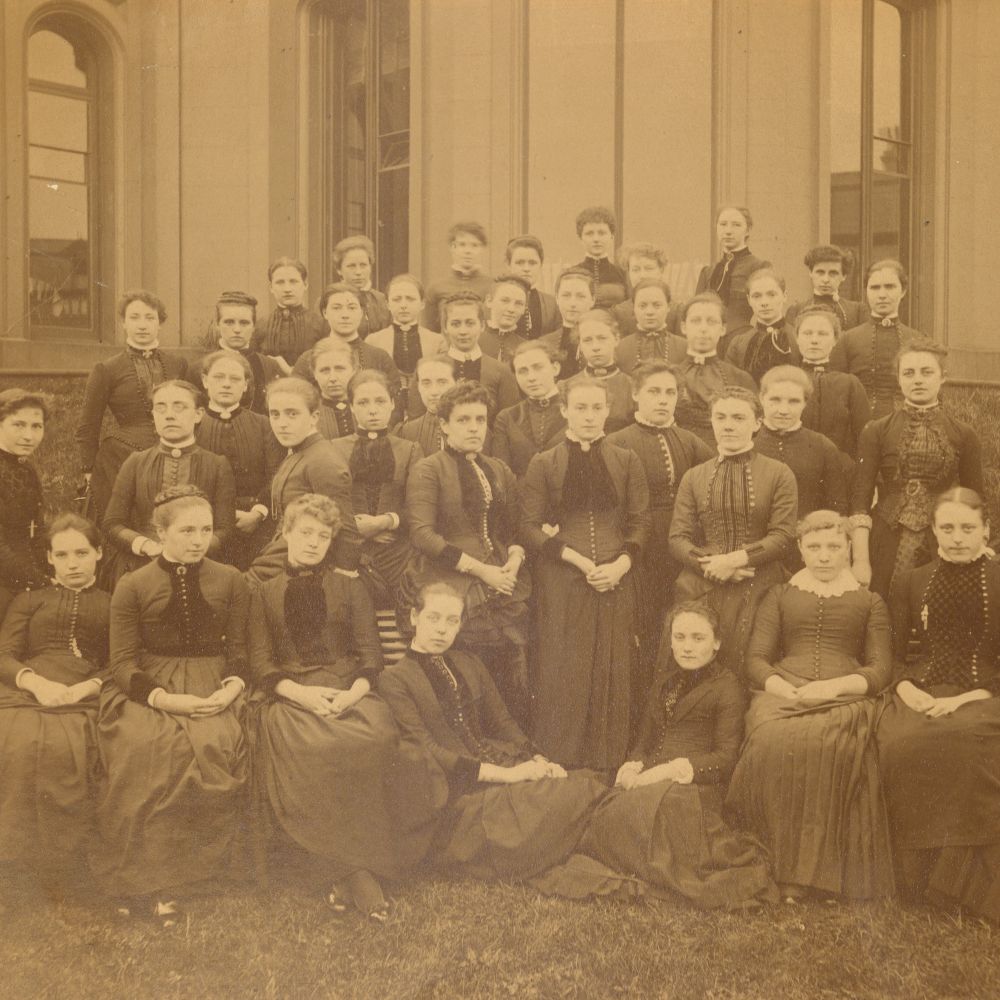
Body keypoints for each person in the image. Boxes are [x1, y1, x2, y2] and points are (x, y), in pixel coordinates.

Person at [534, 603, 775, 909]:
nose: (687, 647)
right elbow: (644, 742)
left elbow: (725, 758)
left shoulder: (727, 687)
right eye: (680, 637)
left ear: (716, 643)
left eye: (698, 639)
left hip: (694, 790)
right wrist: (633, 764)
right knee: (592, 798)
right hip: (651, 779)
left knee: (641, 812)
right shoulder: (665, 682)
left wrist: (667, 771)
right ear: (671, 641)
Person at [92, 486, 250, 925]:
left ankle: (176, 883)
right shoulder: (133, 584)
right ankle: (136, 879)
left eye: (205, 529)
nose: (198, 540)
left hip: (212, 681)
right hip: (148, 686)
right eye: (185, 531)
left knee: (208, 744)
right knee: (141, 746)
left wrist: (230, 689)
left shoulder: (230, 579)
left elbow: (240, 651)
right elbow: (121, 662)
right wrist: (163, 698)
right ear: (160, 533)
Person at [377, 581, 607, 882]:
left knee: (577, 786)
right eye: (433, 618)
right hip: (457, 790)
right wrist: (509, 775)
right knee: (555, 802)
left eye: (451, 621)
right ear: (414, 618)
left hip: (501, 762)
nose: (441, 629)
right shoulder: (395, 679)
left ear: (460, 625)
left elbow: (502, 721)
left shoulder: (469, 662)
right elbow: (427, 747)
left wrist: (536, 757)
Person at [247, 494, 408, 922]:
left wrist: (351, 695)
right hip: (290, 695)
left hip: (347, 690)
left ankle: (343, 870)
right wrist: (301, 696)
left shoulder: (350, 586)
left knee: (376, 738)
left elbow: (371, 655)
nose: (314, 542)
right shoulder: (261, 591)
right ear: (286, 534)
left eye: (323, 535)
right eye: (305, 533)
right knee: (315, 751)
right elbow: (261, 663)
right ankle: (356, 875)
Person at [726, 511, 894, 901]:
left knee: (836, 744)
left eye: (834, 547)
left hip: (846, 694)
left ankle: (823, 875)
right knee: (770, 740)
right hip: (785, 692)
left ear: (848, 550)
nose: (824, 556)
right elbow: (756, 659)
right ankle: (776, 867)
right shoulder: (780, 595)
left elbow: (881, 668)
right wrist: (784, 689)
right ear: (800, 549)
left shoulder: (869, 601)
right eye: (814, 547)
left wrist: (834, 688)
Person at [879, 489, 1000, 921]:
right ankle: (916, 880)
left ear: (987, 529)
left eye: (968, 528)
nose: (957, 538)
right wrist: (906, 688)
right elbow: (894, 651)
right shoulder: (915, 579)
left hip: (986, 694)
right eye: (946, 528)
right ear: (932, 531)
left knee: (965, 742)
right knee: (900, 745)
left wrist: (970, 698)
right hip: (924, 689)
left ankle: (961, 885)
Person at [522, 378, 650, 770]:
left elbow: (640, 521)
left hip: (617, 576)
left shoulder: (626, 459)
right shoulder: (544, 462)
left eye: (596, 408)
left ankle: (607, 760)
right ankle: (562, 758)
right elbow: (528, 526)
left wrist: (620, 566)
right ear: (564, 411)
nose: (589, 416)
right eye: (580, 408)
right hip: (562, 578)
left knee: (613, 663)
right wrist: (578, 561)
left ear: (608, 411)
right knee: (565, 664)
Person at [400, 382, 531, 722]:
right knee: (465, 663)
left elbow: (514, 529)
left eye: (480, 419)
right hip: (451, 578)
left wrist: (513, 563)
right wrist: (482, 571)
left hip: (503, 578)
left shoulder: (499, 468)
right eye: (463, 420)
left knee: (509, 662)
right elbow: (422, 535)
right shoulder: (429, 469)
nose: (474, 427)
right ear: (444, 425)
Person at [0, 515, 110, 893]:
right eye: (62, 555)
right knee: (16, 740)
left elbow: (124, 662)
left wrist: (85, 690)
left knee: (73, 745)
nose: (73, 563)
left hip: (87, 692)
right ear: (49, 558)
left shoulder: (114, 602)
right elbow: (4, 654)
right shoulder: (29, 600)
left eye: (82, 552)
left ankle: (67, 865)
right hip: (27, 689)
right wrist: (36, 683)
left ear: (99, 553)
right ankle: (13, 864)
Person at [669, 387, 797, 671]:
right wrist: (711, 566)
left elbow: (784, 535)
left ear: (757, 424)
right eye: (721, 417)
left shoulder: (778, 473)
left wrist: (735, 560)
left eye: (739, 418)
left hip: (759, 577)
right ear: (712, 422)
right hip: (702, 577)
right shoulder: (694, 476)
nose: (728, 425)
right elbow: (678, 538)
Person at [607, 362, 713, 688]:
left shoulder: (690, 441)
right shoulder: (616, 442)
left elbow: (712, 484)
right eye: (654, 391)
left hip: (681, 544)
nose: (663, 400)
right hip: (639, 547)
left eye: (670, 392)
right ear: (636, 394)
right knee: (644, 627)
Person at [851, 339, 983, 600]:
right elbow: (860, 499)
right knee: (885, 607)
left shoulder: (964, 434)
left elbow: (976, 499)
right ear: (899, 379)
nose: (917, 380)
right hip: (887, 534)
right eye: (908, 373)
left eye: (927, 372)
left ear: (942, 377)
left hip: (943, 535)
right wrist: (861, 560)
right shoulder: (876, 430)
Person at [102, 380, 236, 586]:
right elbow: (112, 523)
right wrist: (145, 545)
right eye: (160, 408)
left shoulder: (217, 464)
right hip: (143, 565)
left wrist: (189, 548)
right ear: (153, 415)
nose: (169, 415)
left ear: (198, 414)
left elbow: (225, 530)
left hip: (199, 565)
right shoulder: (136, 462)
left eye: (179, 407)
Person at [76, 290, 188, 522]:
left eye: (150, 318)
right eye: (134, 317)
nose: (143, 325)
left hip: (174, 449)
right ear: (123, 323)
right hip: (121, 455)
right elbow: (88, 425)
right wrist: (88, 469)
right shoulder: (107, 369)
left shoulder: (178, 364)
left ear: (160, 323)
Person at [328, 370, 423, 641]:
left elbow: (419, 504)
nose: (372, 410)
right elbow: (329, 502)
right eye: (363, 403)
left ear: (393, 403)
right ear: (351, 406)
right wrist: (359, 529)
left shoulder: (410, 449)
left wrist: (386, 521)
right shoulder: (333, 448)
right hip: (348, 547)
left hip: (397, 548)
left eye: (380, 401)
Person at [248, 377, 359, 583]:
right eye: (275, 414)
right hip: (282, 555)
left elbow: (344, 525)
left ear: (314, 416)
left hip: (305, 566)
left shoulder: (322, 460)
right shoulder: (298, 451)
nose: (282, 423)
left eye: (292, 414)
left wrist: (345, 578)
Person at [196, 352, 284, 570]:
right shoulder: (193, 424)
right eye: (219, 377)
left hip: (257, 522)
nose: (227, 384)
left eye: (235, 379)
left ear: (245, 385)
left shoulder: (263, 424)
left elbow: (277, 473)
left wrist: (258, 513)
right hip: (208, 523)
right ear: (205, 381)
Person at [754, 366, 848, 524]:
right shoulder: (748, 443)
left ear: (805, 403)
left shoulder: (822, 446)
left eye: (794, 401)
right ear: (762, 398)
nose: (783, 410)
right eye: (775, 400)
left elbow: (837, 507)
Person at [831, 259, 921, 419]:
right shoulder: (848, 340)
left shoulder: (918, 340)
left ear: (903, 291)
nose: (882, 295)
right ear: (866, 291)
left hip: (908, 426)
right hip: (859, 427)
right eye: (875, 287)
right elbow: (837, 396)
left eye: (890, 287)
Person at [671, 293, 756, 444]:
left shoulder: (740, 378)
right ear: (684, 327)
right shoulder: (670, 377)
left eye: (711, 322)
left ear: (723, 329)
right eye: (696, 321)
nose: (703, 329)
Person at [365, 274, 446, 421]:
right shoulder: (373, 341)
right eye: (397, 299)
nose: (403, 305)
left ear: (422, 303)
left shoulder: (437, 341)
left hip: (426, 411)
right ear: (388, 303)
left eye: (410, 299)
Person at [794, 305, 870, 461]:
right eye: (807, 333)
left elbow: (863, 438)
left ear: (835, 339)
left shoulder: (849, 384)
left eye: (823, 334)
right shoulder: (786, 380)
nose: (814, 340)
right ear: (797, 338)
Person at [0, 389, 50, 620]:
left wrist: (50, 571)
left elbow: (37, 531)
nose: (29, 436)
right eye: (18, 425)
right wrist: (41, 581)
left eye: (36, 426)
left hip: (21, 569)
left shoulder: (26, 468)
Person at [298, 284, 399, 395]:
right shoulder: (308, 359)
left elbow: (395, 403)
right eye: (336, 308)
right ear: (325, 313)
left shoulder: (380, 358)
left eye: (352, 308)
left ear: (361, 312)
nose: (345, 315)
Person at [491, 341, 567, 479]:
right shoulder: (507, 417)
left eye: (538, 368)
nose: (531, 377)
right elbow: (502, 473)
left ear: (555, 368)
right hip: (522, 498)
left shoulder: (574, 410)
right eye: (522, 371)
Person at [439, 292, 520, 418]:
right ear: (445, 327)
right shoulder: (431, 367)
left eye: (470, 323)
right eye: (455, 324)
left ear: (482, 326)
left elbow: (509, 422)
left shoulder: (501, 371)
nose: (463, 331)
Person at [694, 207, 769, 333]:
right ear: (716, 228)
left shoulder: (758, 267)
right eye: (723, 224)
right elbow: (695, 312)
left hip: (741, 339)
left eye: (736, 225)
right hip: (710, 341)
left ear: (747, 230)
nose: (728, 231)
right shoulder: (708, 272)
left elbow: (767, 310)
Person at [561, 310, 634, 433]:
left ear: (616, 339)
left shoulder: (632, 387)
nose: (595, 347)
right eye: (588, 340)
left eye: (602, 338)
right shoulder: (565, 386)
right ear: (580, 345)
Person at [210, 290, 283, 415]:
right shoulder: (200, 367)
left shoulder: (270, 366)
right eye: (229, 322)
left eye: (244, 323)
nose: (237, 329)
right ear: (217, 325)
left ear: (254, 326)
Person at [723, 267, 800, 379]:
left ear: (784, 296)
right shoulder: (738, 344)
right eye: (757, 296)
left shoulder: (798, 338)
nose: (764, 302)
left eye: (771, 295)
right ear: (749, 300)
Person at [255, 257, 327, 369]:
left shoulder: (320, 324)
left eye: (293, 282)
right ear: (271, 288)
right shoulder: (260, 325)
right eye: (280, 282)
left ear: (305, 285)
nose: (287, 289)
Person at [422, 222, 493, 332]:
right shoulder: (436, 288)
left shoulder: (493, 286)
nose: (468, 251)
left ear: (482, 249)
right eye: (462, 245)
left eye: (474, 245)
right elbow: (430, 332)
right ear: (452, 247)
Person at [785, 245, 868, 330]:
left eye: (833, 273)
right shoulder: (796, 311)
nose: (826, 280)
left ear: (844, 276)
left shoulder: (857, 311)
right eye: (820, 272)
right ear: (810, 273)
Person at [615, 277, 686, 373]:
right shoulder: (619, 348)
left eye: (657, 305)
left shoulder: (684, 347)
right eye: (642, 306)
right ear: (634, 308)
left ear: (668, 307)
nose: (649, 312)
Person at [540, 268, 597, 381]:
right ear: (557, 298)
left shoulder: (601, 341)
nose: (572, 303)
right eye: (566, 295)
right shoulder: (544, 343)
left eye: (580, 296)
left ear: (593, 300)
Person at [611, 242, 676, 340]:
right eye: (636, 269)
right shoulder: (619, 312)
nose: (642, 275)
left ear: (661, 270)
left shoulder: (677, 311)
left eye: (648, 269)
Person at [331, 235, 391, 339]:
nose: (358, 272)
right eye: (351, 266)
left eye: (363, 265)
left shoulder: (382, 300)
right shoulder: (328, 300)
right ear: (339, 270)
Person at [395, 355, 457, 455]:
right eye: (426, 383)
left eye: (442, 382)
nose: (434, 391)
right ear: (418, 386)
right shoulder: (407, 432)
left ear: (456, 384)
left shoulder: (473, 427)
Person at [504, 235, 561, 338]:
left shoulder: (552, 304)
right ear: (508, 265)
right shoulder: (495, 299)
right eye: (520, 263)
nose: (526, 268)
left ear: (541, 265)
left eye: (532, 263)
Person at [571, 206, 627, 308]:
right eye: (589, 233)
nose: (596, 239)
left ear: (612, 237)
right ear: (581, 238)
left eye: (601, 233)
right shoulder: (571, 274)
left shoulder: (622, 275)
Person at [309, 339, 358, 440]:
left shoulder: (368, 408)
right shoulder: (309, 415)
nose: (333, 378)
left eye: (339, 369)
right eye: (324, 370)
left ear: (353, 370)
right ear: (314, 374)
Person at [480, 274, 529, 364]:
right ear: (489, 301)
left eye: (519, 304)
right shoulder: (474, 342)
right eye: (505, 301)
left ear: (524, 309)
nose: (511, 309)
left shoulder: (527, 348)